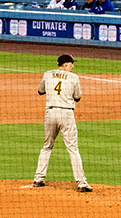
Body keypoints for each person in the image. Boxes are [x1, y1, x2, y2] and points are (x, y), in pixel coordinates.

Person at [31, 54, 93, 191]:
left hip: (50, 113)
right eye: (71, 63)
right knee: (73, 149)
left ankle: (38, 178)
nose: (73, 66)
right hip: (66, 114)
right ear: (65, 64)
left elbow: (40, 91)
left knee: (47, 146)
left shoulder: (47, 74)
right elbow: (77, 98)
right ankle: (82, 183)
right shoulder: (74, 77)